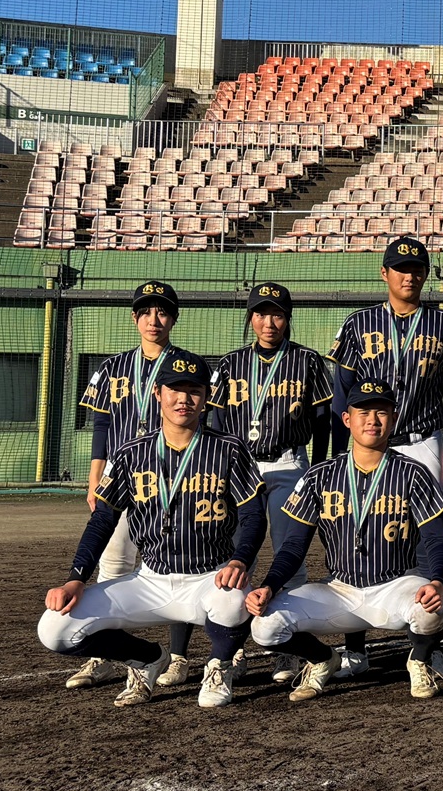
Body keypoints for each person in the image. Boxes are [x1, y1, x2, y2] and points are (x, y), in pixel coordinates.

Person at [37, 348, 264, 709]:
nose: (184, 399)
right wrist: (76, 578)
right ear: (158, 393)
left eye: (194, 391)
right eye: (175, 389)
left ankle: (218, 666)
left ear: (206, 397)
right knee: (54, 629)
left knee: (236, 599)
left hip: (209, 577)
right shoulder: (131, 453)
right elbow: (102, 519)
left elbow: (253, 515)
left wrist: (240, 561)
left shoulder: (229, 449)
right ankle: (147, 659)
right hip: (150, 579)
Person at [243, 378, 443, 703]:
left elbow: (436, 538)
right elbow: (294, 546)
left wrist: (437, 581)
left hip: (396, 585)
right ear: (347, 419)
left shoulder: (414, 472)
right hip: (340, 590)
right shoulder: (319, 475)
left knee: (432, 608)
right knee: (265, 626)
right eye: (363, 412)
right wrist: (269, 585)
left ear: (394, 418)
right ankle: (322, 659)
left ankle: (419, 659)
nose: (372, 420)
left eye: (381, 412)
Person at [329, 236, 443, 679]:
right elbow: (341, 395)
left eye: (417, 268)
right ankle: (355, 647)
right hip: (367, 443)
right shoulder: (358, 323)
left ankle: (426, 645)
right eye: (401, 267)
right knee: (358, 532)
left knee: (427, 540)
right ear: (384, 273)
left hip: (422, 439)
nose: (410, 275)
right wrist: (340, 451)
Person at [68, 280, 197, 691]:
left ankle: (178, 657)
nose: (154, 319)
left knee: (179, 564)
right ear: (134, 318)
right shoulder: (113, 367)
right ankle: (108, 655)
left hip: (170, 474)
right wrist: (95, 477)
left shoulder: (187, 365)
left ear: (173, 318)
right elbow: (102, 424)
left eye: (162, 312)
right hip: (122, 474)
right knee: (113, 564)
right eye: (146, 312)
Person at [209, 280, 335, 685]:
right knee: (232, 558)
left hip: (287, 463)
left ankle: (287, 646)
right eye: (261, 313)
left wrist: (319, 469)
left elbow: (322, 421)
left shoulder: (308, 361)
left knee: (289, 555)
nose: (269, 322)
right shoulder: (230, 363)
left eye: (277, 314)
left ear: (288, 318)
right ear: (251, 318)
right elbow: (214, 421)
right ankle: (233, 648)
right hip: (238, 467)